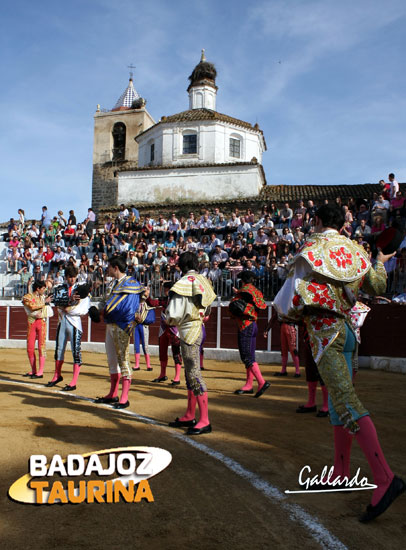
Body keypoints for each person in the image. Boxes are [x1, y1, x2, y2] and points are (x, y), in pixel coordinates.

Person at [273, 203, 405, 522]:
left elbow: (288, 297)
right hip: (348, 332)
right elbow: (378, 286)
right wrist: (378, 260)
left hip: (324, 333)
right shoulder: (356, 250)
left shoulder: (313, 247)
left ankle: (385, 477)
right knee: (336, 403)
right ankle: (340, 472)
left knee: (345, 401)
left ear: (317, 221)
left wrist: (284, 313)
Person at [166, 252, 216, 434]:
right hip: (198, 327)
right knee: (189, 373)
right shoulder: (203, 281)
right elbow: (209, 308)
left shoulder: (183, 283)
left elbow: (172, 314)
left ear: (182, 266)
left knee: (193, 373)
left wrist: (169, 320)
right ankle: (189, 414)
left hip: (188, 330)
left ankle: (204, 420)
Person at [94, 255, 146, 408]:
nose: (107, 270)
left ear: (115, 268)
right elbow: (105, 302)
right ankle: (113, 393)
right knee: (112, 360)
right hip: (110, 325)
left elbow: (135, 305)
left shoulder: (131, 284)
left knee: (123, 360)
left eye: (109, 267)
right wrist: (97, 310)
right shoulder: (112, 285)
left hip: (122, 326)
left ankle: (124, 397)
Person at [45, 265, 91, 391]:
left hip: (75, 323)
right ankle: (57, 375)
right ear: (66, 277)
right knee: (59, 350)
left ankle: (74, 381)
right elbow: (56, 301)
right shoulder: (60, 289)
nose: (72, 279)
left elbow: (85, 308)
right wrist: (68, 302)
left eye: (74, 277)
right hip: (62, 322)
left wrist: (68, 309)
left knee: (76, 351)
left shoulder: (81, 290)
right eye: (70, 277)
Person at [229, 271, 270, 398]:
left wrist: (236, 296)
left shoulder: (244, 292)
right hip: (253, 325)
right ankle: (248, 385)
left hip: (245, 326)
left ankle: (261, 382)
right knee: (250, 356)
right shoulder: (256, 291)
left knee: (246, 356)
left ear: (242, 281)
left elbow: (236, 306)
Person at [146, 282, 183, 386]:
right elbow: (152, 303)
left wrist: (171, 321)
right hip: (163, 329)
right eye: (165, 289)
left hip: (174, 329)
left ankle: (177, 377)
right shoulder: (165, 300)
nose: (165, 291)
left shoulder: (178, 300)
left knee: (176, 352)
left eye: (166, 289)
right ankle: (163, 374)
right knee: (162, 351)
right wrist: (147, 296)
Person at [22, 281, 53, 378]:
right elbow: (32, 307)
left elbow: (48, 311)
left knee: (41, 347)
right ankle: (33, 370)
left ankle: (40, 371)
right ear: (37, 289)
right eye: (43, 289)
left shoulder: (43, 297)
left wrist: (45, 302)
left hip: (41, 323)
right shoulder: (27, 297)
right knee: (30, 348)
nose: (44, 291)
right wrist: (45, 303)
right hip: (31, 322)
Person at [264, 308, 300, 377]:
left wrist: (267, 329)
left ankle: (297, 371)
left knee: (293, 349)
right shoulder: (280, 306)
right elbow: (274, 317)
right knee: (283, 349)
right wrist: (267, 329)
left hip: (290, 327)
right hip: (284, 327)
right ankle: (284, 370)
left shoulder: (289, 305)